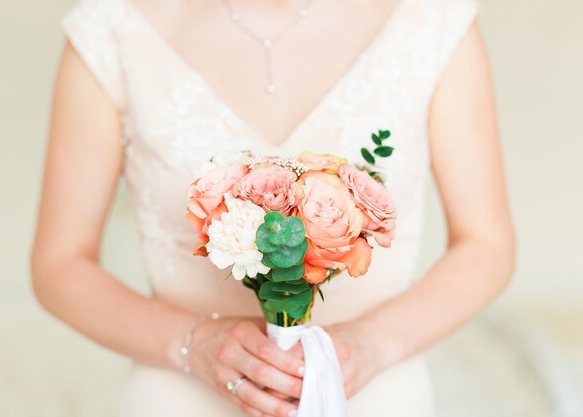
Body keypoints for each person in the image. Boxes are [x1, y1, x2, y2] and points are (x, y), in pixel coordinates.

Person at [30, 0, 515, 415]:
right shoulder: (114, 31)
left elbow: (486, 244)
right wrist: (195, 343)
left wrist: (371, 344)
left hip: (375, 388)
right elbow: (59, 263)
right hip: (180, 388)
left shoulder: (429, 21)